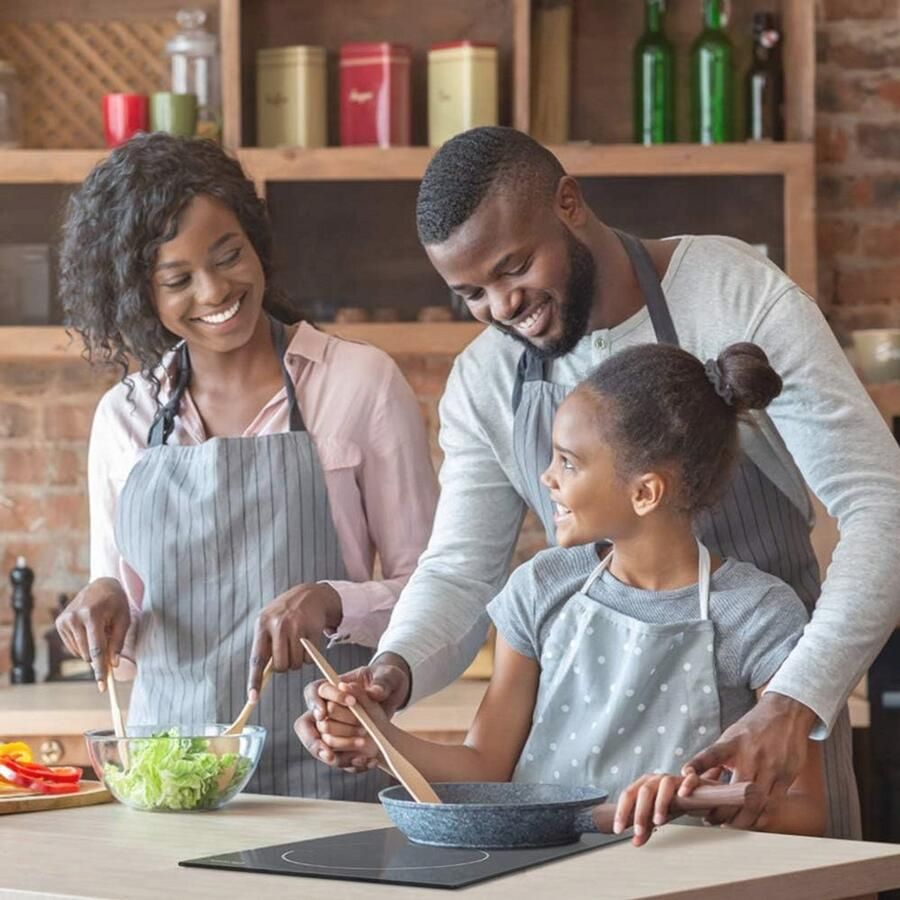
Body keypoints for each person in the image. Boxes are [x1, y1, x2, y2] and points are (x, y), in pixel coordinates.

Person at [297, 126, 900, 837]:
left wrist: (793, 701)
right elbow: (461, 570)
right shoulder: (486, 381)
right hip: (591, 817)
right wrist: (390, 676)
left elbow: (882, 505)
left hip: (773, 739)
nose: (502, 308)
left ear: (570, 203)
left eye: (514, 267)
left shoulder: (732, 295)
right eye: (472, 294)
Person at [312, 342, 827, 845]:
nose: (547, 477)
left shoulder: (757, 613)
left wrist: (694, 801)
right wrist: (378, 738)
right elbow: (486, 769)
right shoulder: (542, 587)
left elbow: (807, 812)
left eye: (568, 462)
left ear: (645, 492)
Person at [55, 133, 437, 800]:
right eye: (177, 280)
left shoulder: (358, 384)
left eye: (228, 255)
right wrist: (104, 602)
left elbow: (436, 592)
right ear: (140, 296)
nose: (215, 290)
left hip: (328, 768)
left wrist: (334, 601)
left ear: (255, 240)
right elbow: (126, 606)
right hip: (169, 778)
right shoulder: (124, 417)